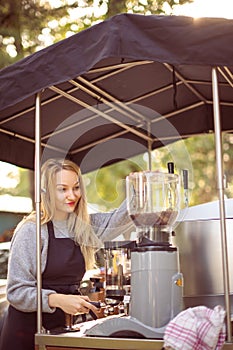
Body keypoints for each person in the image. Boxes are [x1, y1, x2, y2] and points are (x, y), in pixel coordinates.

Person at [0, 158, 133, 350]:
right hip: (27, 333)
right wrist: (58, 300)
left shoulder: (84, 228)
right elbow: (16, 292)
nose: (72, 195)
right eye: (62, 189)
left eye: (76, 188)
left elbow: (119, 219)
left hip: (62, 331)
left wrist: (139, 188)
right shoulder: (32, 231)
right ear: (46, 192)